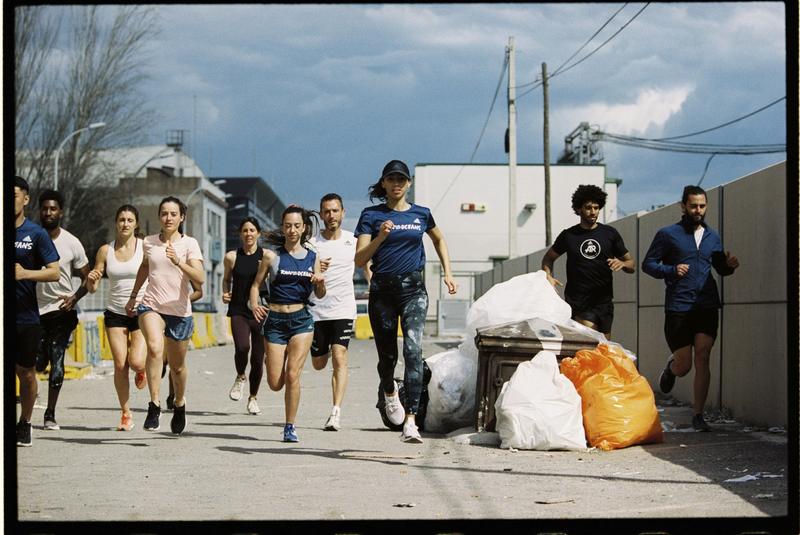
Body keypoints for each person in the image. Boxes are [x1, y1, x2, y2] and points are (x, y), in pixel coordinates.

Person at [354, 159, 458, 444]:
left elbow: (439, 240)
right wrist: (381, 237)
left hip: (413, 290)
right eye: (391, 179)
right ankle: (389, 391)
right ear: (384, 183)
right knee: (388, 357)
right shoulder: (371, 215)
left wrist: (448, 272)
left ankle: (411, 420)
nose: (397, 184)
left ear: (409, 183)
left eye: (401, 179)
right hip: (382, 293)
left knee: (413, 349)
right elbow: (360, 258)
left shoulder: (421, 214)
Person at [642, 185, 739, 432]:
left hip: (706, 304)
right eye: (694, 205)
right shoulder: (668, 234)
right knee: (685, 365)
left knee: (703, 356)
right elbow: (648, 264)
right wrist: (671, 270)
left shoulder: (712, 237)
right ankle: (672, 367)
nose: (698, 210)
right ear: (683, 206)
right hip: (679, 306)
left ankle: (698, 414)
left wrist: (729, 266)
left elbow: (720, 268)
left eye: (702, 206)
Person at [125, 196, 205, 435]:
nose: (168, 218)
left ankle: (179, 404)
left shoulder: (190, 244)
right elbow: (145, 267)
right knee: (155, 348)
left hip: (180, 312)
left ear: (182, 217)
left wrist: (179, 261)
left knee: (178, 368)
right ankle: (154, 404)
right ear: (159, 216)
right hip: (152, 305)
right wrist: (133, 295)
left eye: (173, 214)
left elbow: (200, 279)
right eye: (164, 213)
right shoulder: (149, 242)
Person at [250, 205, 326, 443]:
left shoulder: (314, 258)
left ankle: (290, 426)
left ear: (304, 229)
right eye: (288, 225)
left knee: (293, 375)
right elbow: (256, 286)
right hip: (274, 321)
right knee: (275, 383)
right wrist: (254, 304)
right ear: (283, 227)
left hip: (301, 321)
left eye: (297, 226)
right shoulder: (272, 256)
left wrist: (320, 281)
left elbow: (320, 293)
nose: (292, 230)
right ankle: (272, 358)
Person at [541, 184, 635, 338]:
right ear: (578, 209)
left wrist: (623, 264)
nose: (593, 212)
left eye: (596, 208)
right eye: (588, 207)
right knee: (590, 343)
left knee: (603, 347)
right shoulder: (569, 235)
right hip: (579, 301)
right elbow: (548, 258)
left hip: (604, 301)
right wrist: (548, 276)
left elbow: (632, 264)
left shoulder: (610, 234)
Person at [85, 205, 148, 431]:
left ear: (136, 224)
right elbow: (92, 286)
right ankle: (126, 413)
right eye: (121, 219)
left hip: (141, 311)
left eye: (130, 220)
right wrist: (92, 280)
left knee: (136, 361)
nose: (125, 224)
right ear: (116, 223)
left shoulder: (145, 247)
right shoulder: (105, 250)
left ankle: (142, 369)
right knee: (120, 364)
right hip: (115, 313)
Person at [35, 189, 91, 431]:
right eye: (45, 208)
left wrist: (74, 298)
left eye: (53, 208)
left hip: (61, 310)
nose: (48, 212)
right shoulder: (29, 238)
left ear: (61, 212)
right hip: (32, 310)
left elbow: (88, 279)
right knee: (36, 363)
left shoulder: (71, 242)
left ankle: (50, 414)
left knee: (57, 361)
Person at [14, 177, 60, 446]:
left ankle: (26, 421)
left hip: (26, 318)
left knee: (26, 372)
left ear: (26, 199)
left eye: (14, 194)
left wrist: (25, 274)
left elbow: (54, 272)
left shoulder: (35, 234)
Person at [308, 193, 357, 431]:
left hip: (344, 308)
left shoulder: (353, 240)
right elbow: (302, 273)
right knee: (318, 363)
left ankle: (335, 412)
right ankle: (321, 349)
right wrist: (315, 270)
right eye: (326, 211)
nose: (331, 215)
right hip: (317, 311)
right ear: (321, 214)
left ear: (343, 212)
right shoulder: (312, 243)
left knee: (340, 356)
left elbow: (367, 265)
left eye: (335, 210)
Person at [222, 217, 268, 415]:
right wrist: (225, 293)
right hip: (239, 309)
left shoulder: (266, 256)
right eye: (245, 231)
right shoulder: (232, 257)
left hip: (261, 311)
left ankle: (253, 398)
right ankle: (240, 376)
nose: (248, 234)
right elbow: (226, 280)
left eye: (252, 230)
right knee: (242, 346)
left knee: (258, 359)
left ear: (258, 233)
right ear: (240, 234)